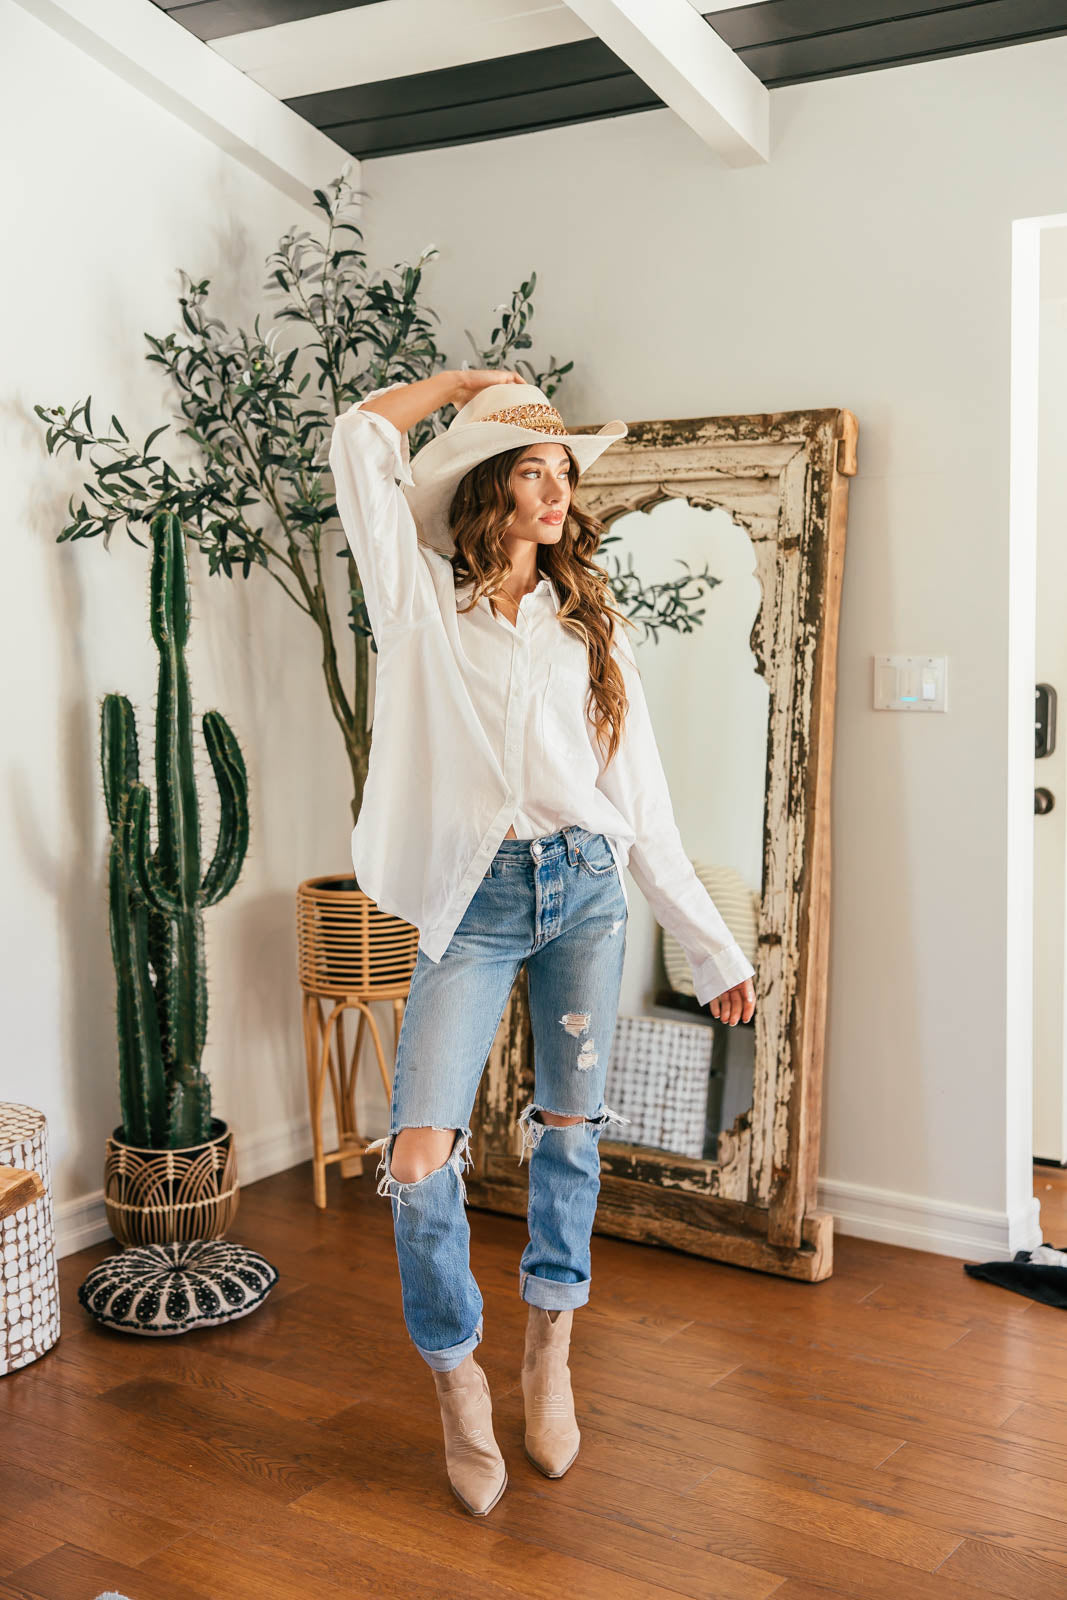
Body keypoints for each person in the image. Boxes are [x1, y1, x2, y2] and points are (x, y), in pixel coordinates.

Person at [328, 368, 757, 1516]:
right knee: (418, 1160)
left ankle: (548, 1347)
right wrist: (471, 385)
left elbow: (643, 806)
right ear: (485, 488)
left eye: (564, 468)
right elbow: (358, 440)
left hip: (584, 891)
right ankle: (457, 1377)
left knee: (567, 1134)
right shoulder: (419, 604)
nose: (556, 486)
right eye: (531, 467)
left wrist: (709, 950)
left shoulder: (587, 632)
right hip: (470, 903)